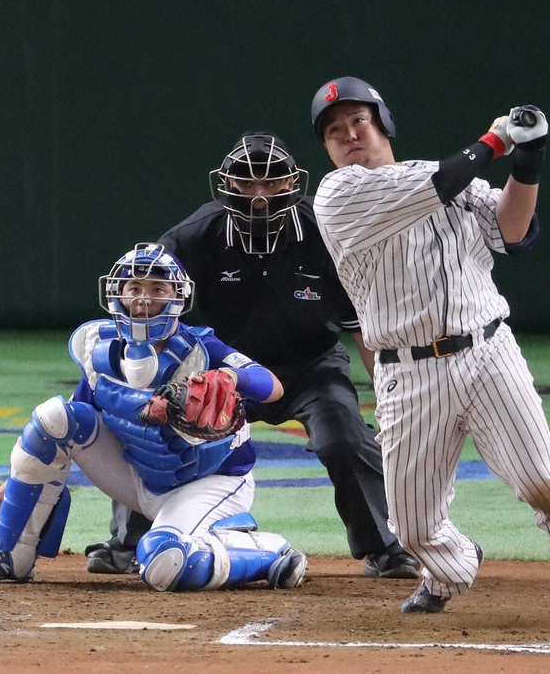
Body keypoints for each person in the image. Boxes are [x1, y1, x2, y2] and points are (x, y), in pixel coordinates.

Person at [308, 76, 550, 623]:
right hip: (406, 370)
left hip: (487, 351)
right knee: (409, 524)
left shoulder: (451, 180)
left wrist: (529, 158)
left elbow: (512, 230)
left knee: (541, 479)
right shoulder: (339, 195)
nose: (350, 134)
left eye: (359, 120)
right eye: (335, 130)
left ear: (382, 123)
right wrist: (496, 141)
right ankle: (452, 566)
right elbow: (437, 184)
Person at [84, 133, 420, 580]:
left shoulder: (325, 233)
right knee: (152, 427)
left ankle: (385, 545)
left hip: (310, 368)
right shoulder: (193, 236)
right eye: (245, 183)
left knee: (344, 436)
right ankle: (127, 542)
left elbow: (361, 326)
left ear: (291, 184)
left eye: (272, 183)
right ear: (225, 185)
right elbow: (143, 294)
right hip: (219, 373)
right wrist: (156, 372)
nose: (259, 196)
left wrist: (388, 395)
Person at [0, 243, 307, 593]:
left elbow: (271, 386)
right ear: (117, 295)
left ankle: (269, 552)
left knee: (163, 564)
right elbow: (75, 419)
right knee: (54, 417)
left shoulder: (201, 349)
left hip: (209, 481)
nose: (143, 299)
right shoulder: (100, 348)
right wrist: (20, 482)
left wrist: (232, 377)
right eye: (134, 288)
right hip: (141, 477)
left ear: (178, 297)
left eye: (157, 289)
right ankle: (10, 554)